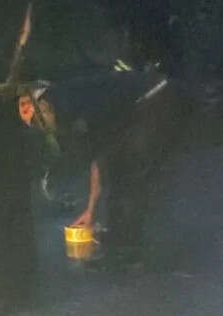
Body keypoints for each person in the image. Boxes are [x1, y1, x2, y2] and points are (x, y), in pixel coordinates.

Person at [18, 71, 179, 263]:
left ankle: (126, 246)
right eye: (35, 127)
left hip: (158, 96)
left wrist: (91, 210)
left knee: (129, 168)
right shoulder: (64, 102)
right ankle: (122, 237)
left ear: (43, 105)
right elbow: (99, 153)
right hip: (145, 101)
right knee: (121, 165)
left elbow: (99, 156)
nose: (43, 128)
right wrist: (91, 209)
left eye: (38, 122)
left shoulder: (69, 104)